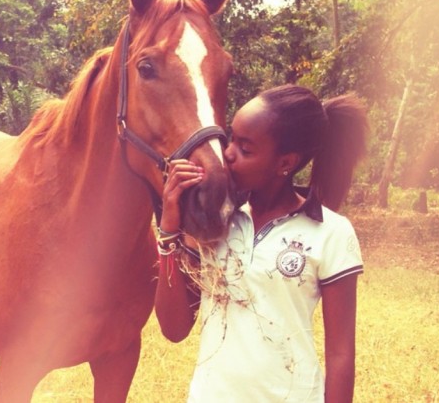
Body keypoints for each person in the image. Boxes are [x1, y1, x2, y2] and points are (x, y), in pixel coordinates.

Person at [155, 84, 368, 403]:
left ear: (285, 163)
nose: (227, 154)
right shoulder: (217, 222)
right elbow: (174, 329)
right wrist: (170, 229)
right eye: (231, 139)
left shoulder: (331, 232)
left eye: (246, 148)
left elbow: (340, 354)